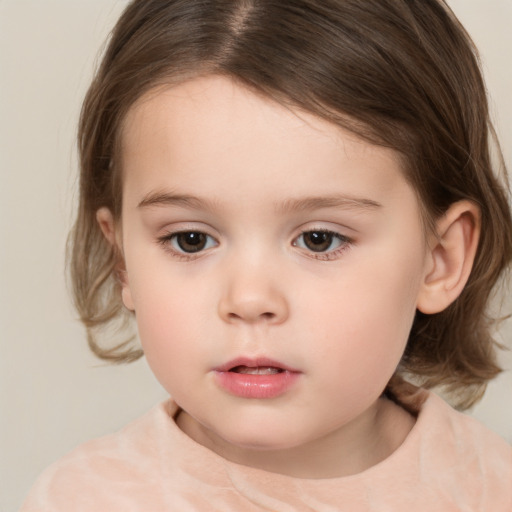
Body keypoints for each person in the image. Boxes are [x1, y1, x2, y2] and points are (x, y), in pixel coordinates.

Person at [20, 0, 512, 510]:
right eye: (191, 239)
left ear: (440, 259)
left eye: (319, 239)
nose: (250, 299)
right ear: (122, 259)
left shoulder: (490, 490)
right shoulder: (85, 500)